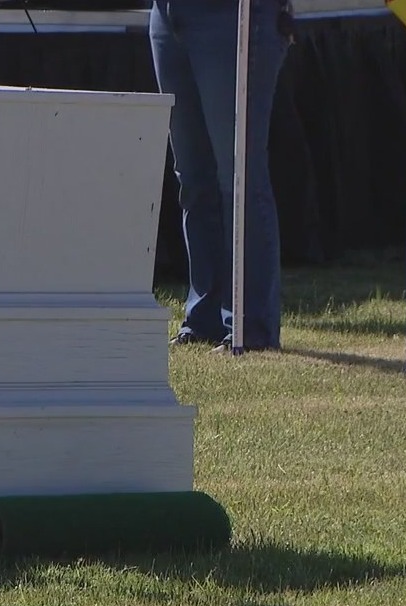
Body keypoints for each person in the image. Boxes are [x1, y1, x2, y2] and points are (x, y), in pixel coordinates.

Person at [150, 0, 293, 352]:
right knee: (193, 180)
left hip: (233, 15)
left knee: (238, 178)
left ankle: (251, 326)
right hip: (168, 14)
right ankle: (204, 317)